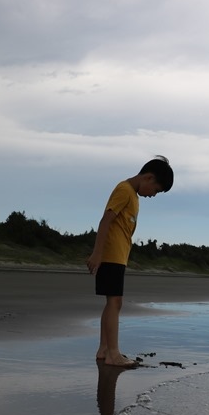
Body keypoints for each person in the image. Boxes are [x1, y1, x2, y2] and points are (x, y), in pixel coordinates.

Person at [86, 156, 174, 367]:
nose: (153, 195)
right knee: (114, 302)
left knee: (113, 303)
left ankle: (105, 348)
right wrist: (97, 253)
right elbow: (105, 220)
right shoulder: (124, 190)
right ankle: (113, 354)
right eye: (156, 190)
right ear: (148, 177)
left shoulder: (133, 196)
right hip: (110, 256)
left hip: (118, 256)